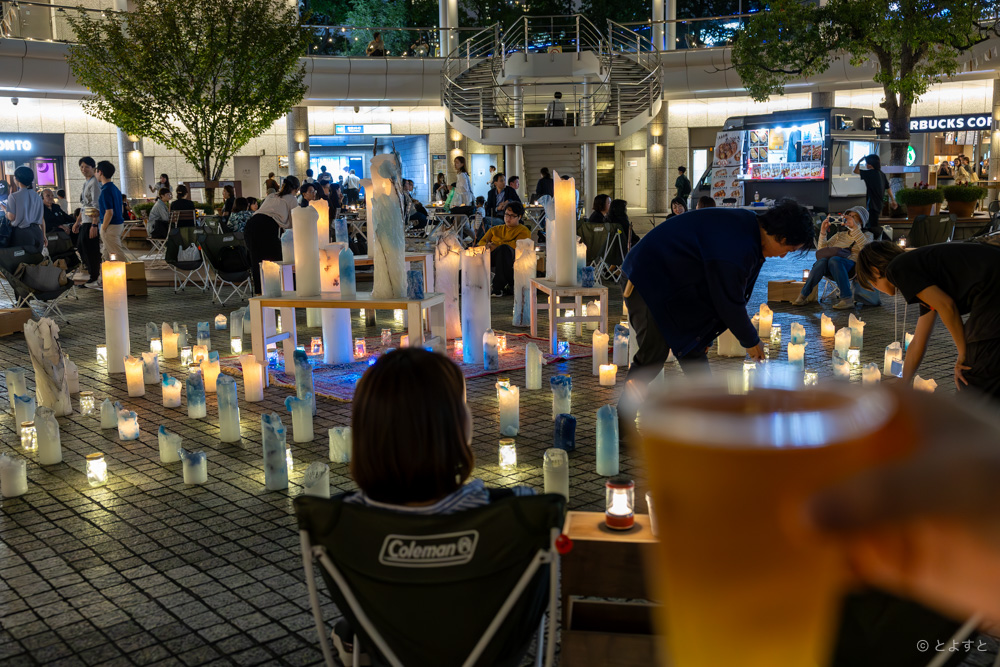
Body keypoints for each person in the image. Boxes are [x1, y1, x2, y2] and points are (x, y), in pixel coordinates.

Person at [333, 347, 533, 665]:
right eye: (462, 404)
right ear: (454, 427)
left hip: (392, 646)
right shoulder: (516, 511)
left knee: (353, 625)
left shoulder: (343, 520)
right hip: (483, 650)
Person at [618, 199, 816, 440]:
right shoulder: (738, 244)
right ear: (781, 237)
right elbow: (728, 300)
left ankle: (712, 424)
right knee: (652, 356)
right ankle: (622, 428)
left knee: (693, 351)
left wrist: (704, 334)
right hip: (647, 278)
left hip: (674, 284)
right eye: (790, 250)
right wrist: (751, 340)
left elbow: (719, 294)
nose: (784, 256)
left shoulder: (749, 233)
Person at [856, 240, 1000, 399]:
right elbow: (918, 341)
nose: (875, 288)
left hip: (993, 288)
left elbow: (947, 306)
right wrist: (902, 383)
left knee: (974, 372)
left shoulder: (896, 269)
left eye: (871, 282)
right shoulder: (920, 273)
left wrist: (963, 353)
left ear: (875, 271)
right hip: (991, 289)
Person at [793, 206, 869, 309]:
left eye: (854, 216)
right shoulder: (839, 235)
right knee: (822, 261)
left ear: (862, 220)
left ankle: (847, 299)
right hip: (831, 266)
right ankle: (803, 296)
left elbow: (867, 250)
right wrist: (823, 232)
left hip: (851, 267)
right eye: (848, 216)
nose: (850, 218)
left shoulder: (867, 235)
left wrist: (855, 228)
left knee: (834, 260)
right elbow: (822, 251)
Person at [244, 176, 299, 294]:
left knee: (257, 261)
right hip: (267, 227)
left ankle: (260, 293)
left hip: (251, 224)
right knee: (276, 259)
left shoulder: (271, 196)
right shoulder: (292, 199)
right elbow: (293, 223)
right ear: (296, 189)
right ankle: (278, 291)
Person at [477, 201, 531, 297]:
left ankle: (498, 287)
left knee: (504, 249)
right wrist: (487, 246)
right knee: (470, 251)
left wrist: (496, 245)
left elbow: (517, 245)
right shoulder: (495, 229)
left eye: (512, 216)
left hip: (511, 256)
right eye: (506, 214)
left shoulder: (523, 230)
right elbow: (481, 242)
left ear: (519, 217)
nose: (508, 218)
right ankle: (463, 282)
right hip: (491, 255)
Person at [71, 156, 102, 288]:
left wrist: (94, 224)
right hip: (85, 220)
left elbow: (96, 204)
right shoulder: (86, 183)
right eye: (82, 167)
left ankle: (94, 276)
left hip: (91, 221)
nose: (83, 169)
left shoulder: (94, 183)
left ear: (93, 168)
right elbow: (83, 205)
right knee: (81, 246)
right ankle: (92, 273)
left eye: (87, 167)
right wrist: (77, 221)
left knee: (90, 249)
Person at [1, 166, 45, 253]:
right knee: (36, 259)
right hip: (37, 232)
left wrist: (5, 209)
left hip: (22, 234)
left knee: (22, 260)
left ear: (17, 179)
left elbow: (11, 217)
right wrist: (44, 235)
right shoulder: (37, 196)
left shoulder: (13, 196)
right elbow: (42, 219)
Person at [854, 154, 897, 238]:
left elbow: (855, 171)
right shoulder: (882, 174)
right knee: (873, 225)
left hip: (872, 204)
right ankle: (880, 240)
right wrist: (893, 200)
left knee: (872, 228)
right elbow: (888, 188)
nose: (865, 165)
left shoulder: (869, 173)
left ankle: (883, 240)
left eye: (866, 163)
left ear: (870, 165)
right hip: (879, 204)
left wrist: (859, 161)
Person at [95, 161, 125, 261]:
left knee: (118, 255)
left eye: (96, 171)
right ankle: (106, 270)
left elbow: (109, 212)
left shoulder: (105, 191)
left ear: (100, 172)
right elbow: (120, 208)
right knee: (107, 254)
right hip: (118, 224)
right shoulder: (115, 188)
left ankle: (129, 271)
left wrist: (103, 228)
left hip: (110, 226)